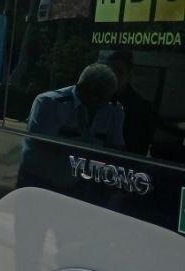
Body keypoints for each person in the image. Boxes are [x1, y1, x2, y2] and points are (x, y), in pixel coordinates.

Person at [17, 63, 125, 191]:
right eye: (96, 95)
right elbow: (44, 144)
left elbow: (116, 149)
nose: (99, 102)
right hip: (40, 179)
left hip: (80, 184)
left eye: (106, 97)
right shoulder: (49, 102)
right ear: (82, 87)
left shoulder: (113, 109)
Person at [109, 50, 157, 155]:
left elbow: (139, 149)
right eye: (111, 72)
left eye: (120, 72)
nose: (115, 76)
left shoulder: (142, 108)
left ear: (129, 75)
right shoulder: (96, 98)